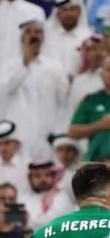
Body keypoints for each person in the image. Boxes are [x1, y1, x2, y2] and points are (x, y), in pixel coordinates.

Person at [0, 21, 67, 161]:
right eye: (29, 32)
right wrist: (25, 62)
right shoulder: (9, 66)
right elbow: (6, 90)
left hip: (46, 132)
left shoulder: (55, 67)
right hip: (18, 132)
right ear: (22, 37)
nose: (33, 35)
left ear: (44, 37)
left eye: (37, 32)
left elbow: (63, 102)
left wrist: (58, 130)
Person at [24, 160, 74, 230]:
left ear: (53, 177)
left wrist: (27, 220)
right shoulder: (25, 198)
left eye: (47, 175)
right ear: (31, 179)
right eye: (37, 176)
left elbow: (52, 223)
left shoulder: (61, 197)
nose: (43, 179)